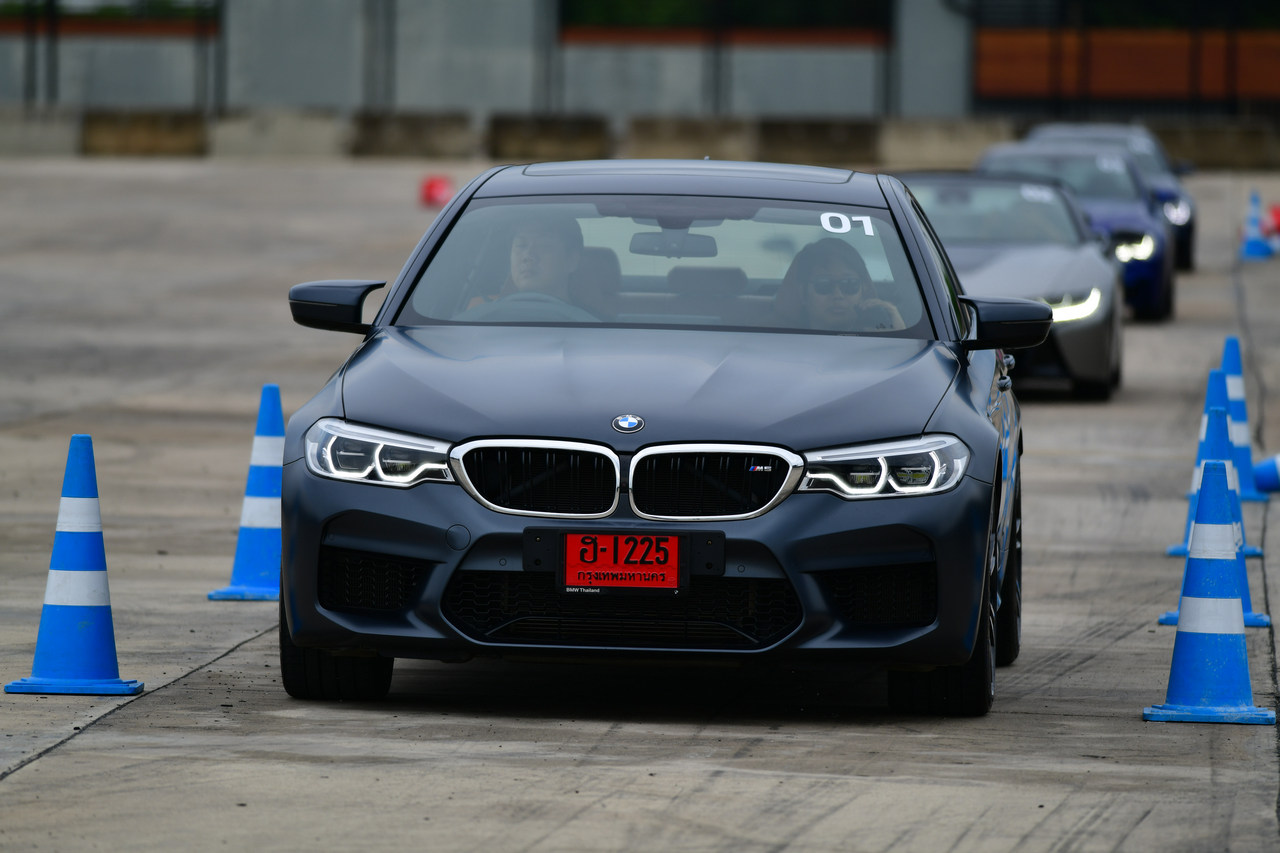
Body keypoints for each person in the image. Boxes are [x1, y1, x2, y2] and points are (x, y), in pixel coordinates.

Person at [454, 213, 596, 321]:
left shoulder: (599, 329)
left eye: (544, 246)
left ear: (572, 261)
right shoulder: (471, 322)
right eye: (521, 245)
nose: (528, 255)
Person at [776, 237, 904, 331]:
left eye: (849, 284)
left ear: (863, 291)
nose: (838, 295)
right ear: (803, 293)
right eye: (824, 284)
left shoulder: (882, 337)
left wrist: (899, 334)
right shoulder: (775, 343)